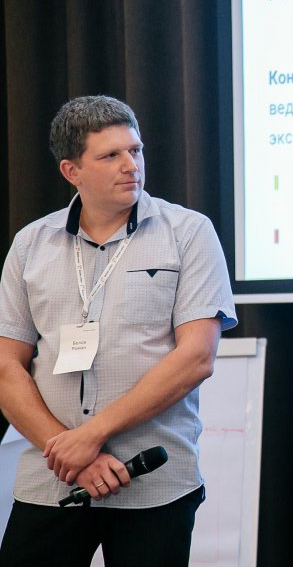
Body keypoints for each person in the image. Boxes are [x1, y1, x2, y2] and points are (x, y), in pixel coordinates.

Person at [0, 95, 237, 566]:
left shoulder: (188, 233)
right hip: (53, 480)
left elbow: (196, 357)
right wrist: (72, 452)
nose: (132, 165)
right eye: (111, 155)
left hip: (153, 479)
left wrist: (92, 435)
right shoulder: (31, 244)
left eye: (136, 150)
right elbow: (6, 367)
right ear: (72, 171)